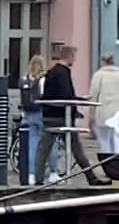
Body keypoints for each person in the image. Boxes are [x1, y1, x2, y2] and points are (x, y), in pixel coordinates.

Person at [32, 48, 91, 183]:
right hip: (62, 117)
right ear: (69, 56)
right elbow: (66, 95)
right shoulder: (63, 73)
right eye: (73, 57)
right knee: (76, 148)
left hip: (49, 115)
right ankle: (91, 177)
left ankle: (38, 180)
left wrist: (79, 99)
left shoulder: (51, 72)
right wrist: (78, 101)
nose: (74, 60)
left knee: (43, 150)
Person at [89, 52, 119, 172]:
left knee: (104, 141)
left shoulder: (99, 76)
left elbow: (93, 96)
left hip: (103, 113)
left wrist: (91, 115)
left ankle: (108, 167)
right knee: (118, 140)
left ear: (102, 62)